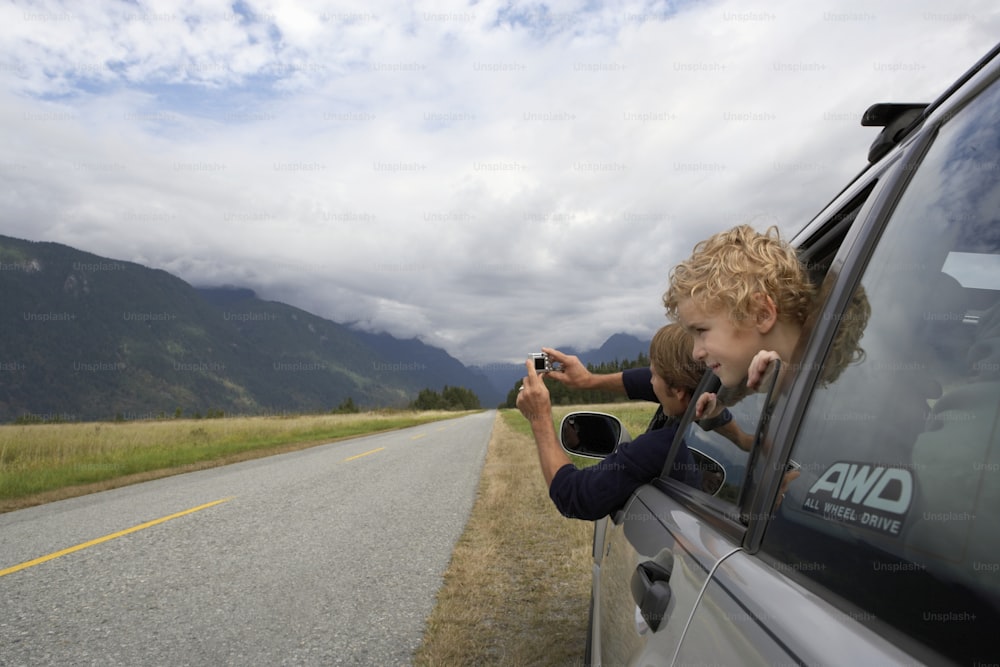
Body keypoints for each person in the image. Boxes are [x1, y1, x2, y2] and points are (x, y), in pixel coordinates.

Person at [516, 323, 734, 520]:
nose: (650, 381)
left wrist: (539, 419)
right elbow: (657, 383)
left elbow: (575, 496)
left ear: (677, 390)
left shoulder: (660, 446)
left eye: (654, 373)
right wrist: (588, 380)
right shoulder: (705, 402)